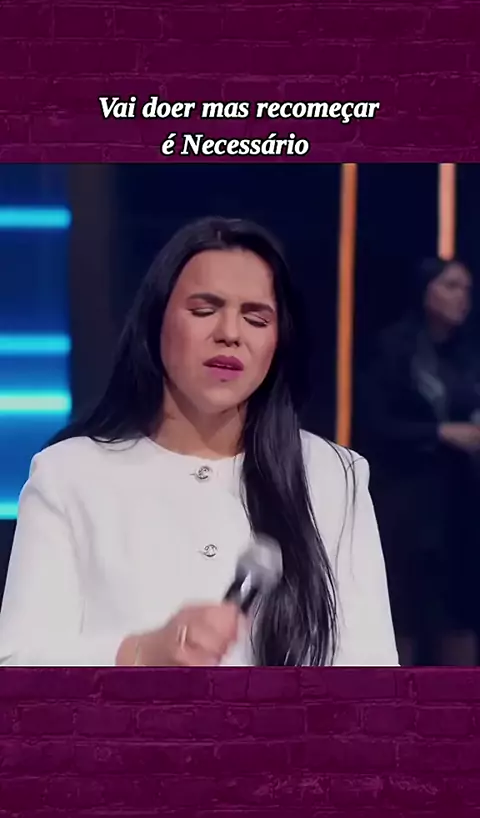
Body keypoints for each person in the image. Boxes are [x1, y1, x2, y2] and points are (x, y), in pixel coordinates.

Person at [0, 216, 398, 667]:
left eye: (255, 318)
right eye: (204, 310)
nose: (230, 333)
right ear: (156, 323)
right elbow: (18, 664)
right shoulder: (69, 474)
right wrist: (142, 654)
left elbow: (371, 669)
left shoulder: (333, 475)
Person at [357, 257, 480, 666]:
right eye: (451, 286)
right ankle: (395, 701)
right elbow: (374, 425)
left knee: (459, 614)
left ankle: (462, 704)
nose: (462, 297)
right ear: (426, 291)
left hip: (459, 503)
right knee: (404, 613)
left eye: (467, 289)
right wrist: (440, 433)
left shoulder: (466, 355)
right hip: (407, 498)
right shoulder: (392, 348)